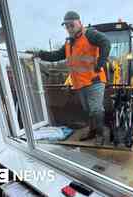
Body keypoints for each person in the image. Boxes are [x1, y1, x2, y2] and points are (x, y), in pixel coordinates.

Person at [34, 11, 111, 145]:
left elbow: (106, 42)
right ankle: (92, 131)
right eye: (67, 26)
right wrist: (40, 54)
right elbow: (57, 55)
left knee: (95, 109)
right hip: (80, 83)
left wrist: (101, 63)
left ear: (79, 23)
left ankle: (100, 135)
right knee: (88, 110)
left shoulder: (90, 34)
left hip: (94, 80)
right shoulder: (69, 43)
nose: (69, 28)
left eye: (72, 25)